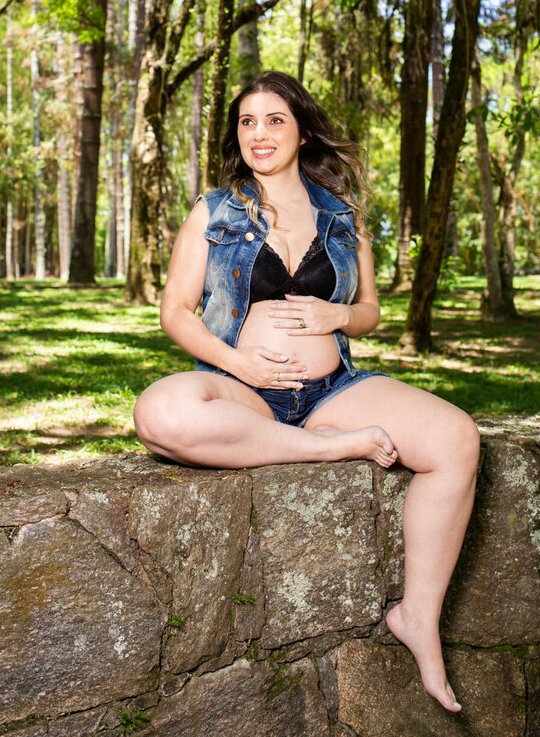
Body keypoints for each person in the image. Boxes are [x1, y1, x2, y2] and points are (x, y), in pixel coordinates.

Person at [134, 71, 480, 714]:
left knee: (456, 437)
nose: (259, 133)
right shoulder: (215, 210)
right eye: (247, 122)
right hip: (243, 389)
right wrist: (240, 363)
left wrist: (336, 315)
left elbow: (370, 311)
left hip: (331, 391)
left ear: (301, 131)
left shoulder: (342, 215)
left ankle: (419, 616)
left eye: (275, 120)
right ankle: (328, 448)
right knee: (159, 413)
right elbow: (175, 311)